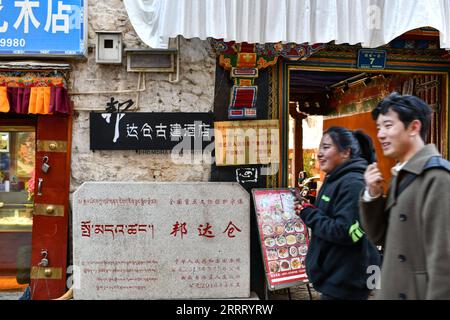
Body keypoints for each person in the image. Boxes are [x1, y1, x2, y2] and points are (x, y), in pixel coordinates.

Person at [360, 92, 450, 300]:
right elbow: (381, 237)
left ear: (414, 127)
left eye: (388, 125)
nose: (381, 134)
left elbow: (444, 262)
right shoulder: (403, 173)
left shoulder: (437, 177)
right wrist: (373, 195)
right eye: (379, 128)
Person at [294, 126, 381, 300]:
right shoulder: (334, 178)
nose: (319, 153)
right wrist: (308, 209)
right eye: (320, 148)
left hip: (347, 281)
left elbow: (346, 231)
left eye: (326, 147)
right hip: (336, 279)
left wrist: (309, 214)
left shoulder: (352, 183)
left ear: (345, 152)